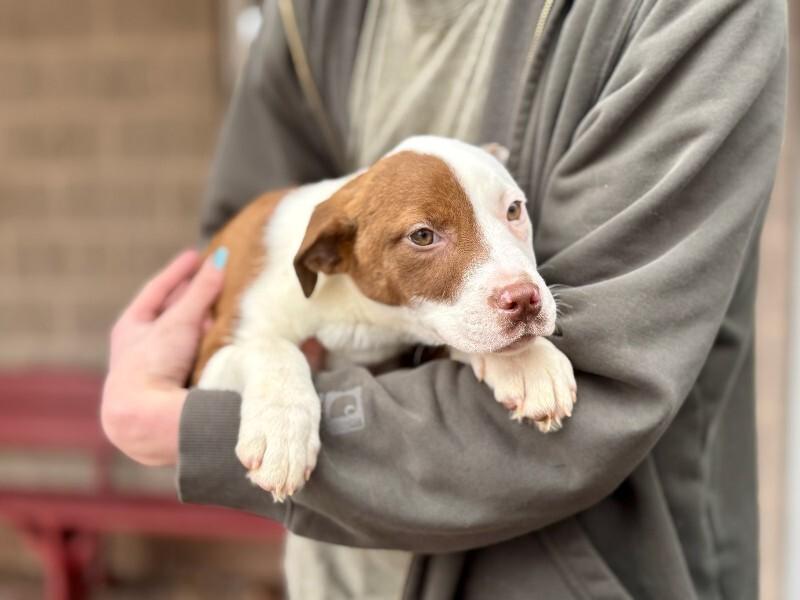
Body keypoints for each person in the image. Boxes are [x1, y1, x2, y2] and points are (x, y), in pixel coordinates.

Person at [102, 1, 788, 598]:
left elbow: (605, 391)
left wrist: (180, 428)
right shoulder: (308, 14)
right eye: (427, 234)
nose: (517, 285)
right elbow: (221, 302)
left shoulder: (684, 14)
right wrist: (241, 384)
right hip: (337, 573)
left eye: (513, 212)